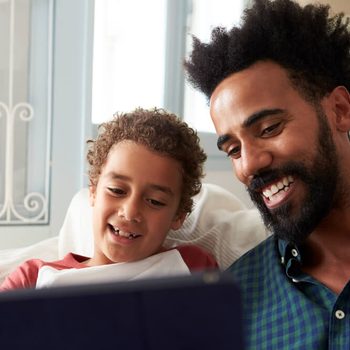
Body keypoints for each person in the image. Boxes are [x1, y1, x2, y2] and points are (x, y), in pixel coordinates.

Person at [185, 0, 350, 348]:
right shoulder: (231, 302)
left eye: (269, 128)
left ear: (340, 111)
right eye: (233, 150)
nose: (249, 165)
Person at [1, 108, 217, 291]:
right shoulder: (32, 279)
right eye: (117, 190)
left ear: (178, 215)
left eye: (155, 201)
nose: (130, 211)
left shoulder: (194, 268)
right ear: (93, 191)